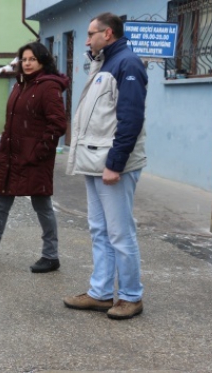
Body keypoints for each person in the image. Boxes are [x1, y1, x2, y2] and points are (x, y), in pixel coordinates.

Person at [62, 12, 148, 320]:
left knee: (120, 233)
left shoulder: (128, 64)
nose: (86, 40)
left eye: (90, 34)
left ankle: (131, 296)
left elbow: (131, 119)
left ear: (107, 34)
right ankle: (100, 293)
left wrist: (115, 164)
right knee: (100, 230)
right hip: (94, 162)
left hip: (112, 166)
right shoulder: (104, 63)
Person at [0, 42, 69, 273]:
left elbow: (58, 124)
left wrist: (38, 151)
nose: (28, 63)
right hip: (12, 155)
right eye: (24, 59)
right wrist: (5, 149)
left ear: (42, 61)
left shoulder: (48, 86)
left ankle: (51, 256)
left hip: (34, 158)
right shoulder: (20, 85)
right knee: (1, 201)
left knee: (42, 205)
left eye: (32, 59)